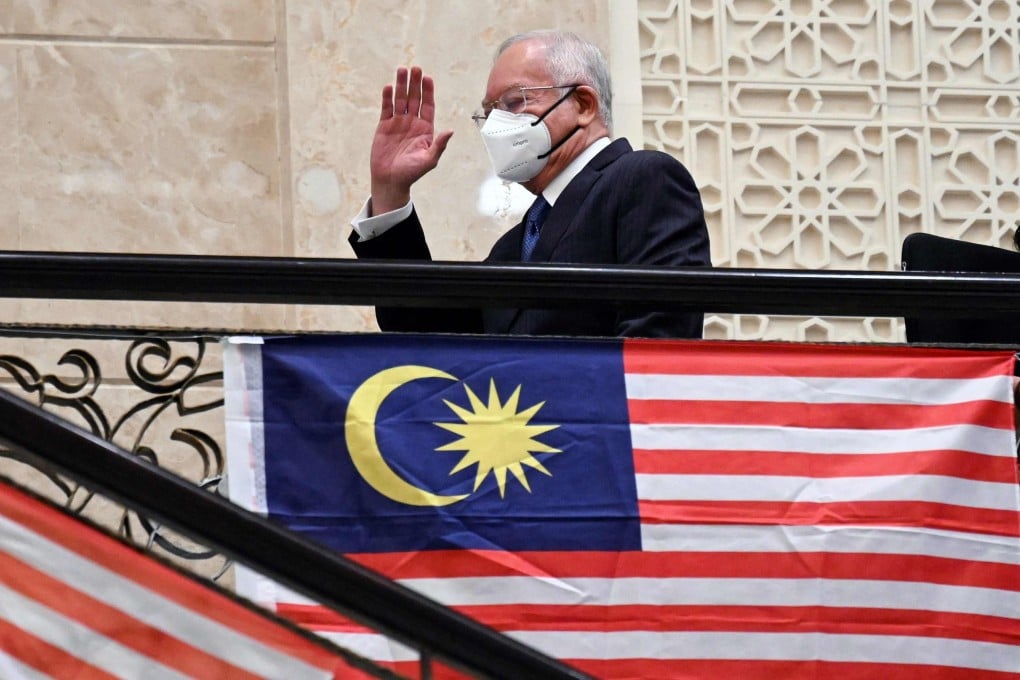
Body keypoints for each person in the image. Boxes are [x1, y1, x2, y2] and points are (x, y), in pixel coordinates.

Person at [350, 29, 711, 338]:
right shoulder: (514, 246)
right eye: (490, 113)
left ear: (583, 104)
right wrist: (390, 190)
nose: (495, 126)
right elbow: (427, 332)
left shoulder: (642, 178)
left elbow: (659, 337)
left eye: (515, 102)